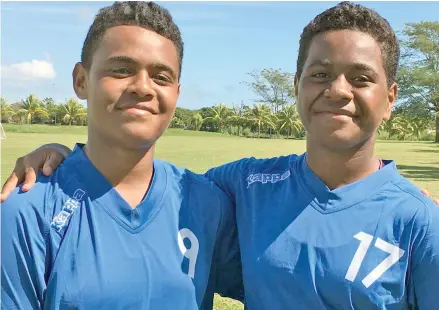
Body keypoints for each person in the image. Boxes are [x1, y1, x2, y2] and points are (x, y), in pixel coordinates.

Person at [3, 1, 439, 309]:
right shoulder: (237, 188)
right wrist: (55, 158)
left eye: (361, 78)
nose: (338, 91)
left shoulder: (419, 222)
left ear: (391, 97)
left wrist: (415, 209)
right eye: (320, 74)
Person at [1, 2, 243, 309]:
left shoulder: (209, 204)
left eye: (161, 76)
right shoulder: (28, 211)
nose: (143, 87)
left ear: (177, 94)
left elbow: (284, 283)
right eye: (121, 70)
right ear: (81, 80)